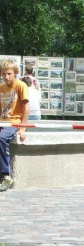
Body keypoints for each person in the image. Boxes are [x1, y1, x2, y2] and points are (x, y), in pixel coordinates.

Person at [0, 60, 30, 191]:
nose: (6, 77)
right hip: (2, 121)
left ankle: (5, 175)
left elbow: (26, 107)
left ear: (15, 73)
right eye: (3, 74)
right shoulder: (1, 87)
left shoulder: (20, 85)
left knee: (1, 138)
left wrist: (23, 128)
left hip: (14, 122)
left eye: (9, 74)